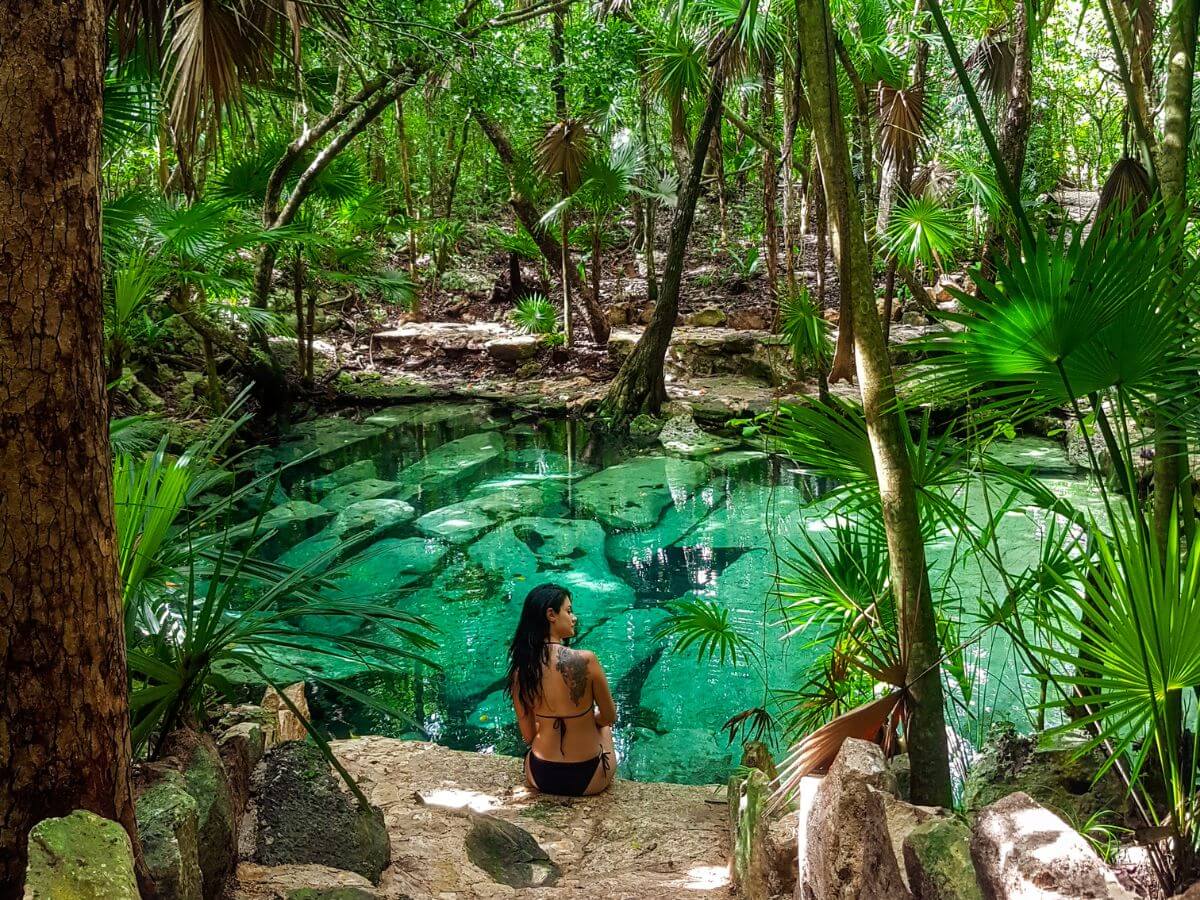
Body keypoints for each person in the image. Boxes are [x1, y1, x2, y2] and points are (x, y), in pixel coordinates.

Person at [506, 584, 617, 796]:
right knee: (603, 727)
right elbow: (610, 716)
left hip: (540, 774)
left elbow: (529, 736)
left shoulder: (521, 671)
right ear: (551, 615)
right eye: (568, 610)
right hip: (588, 777)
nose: (573, 617)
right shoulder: (586, 660)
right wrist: (588, 720)